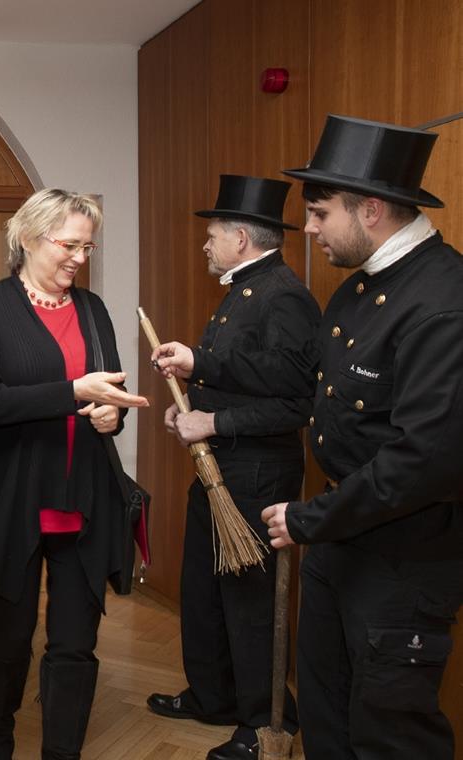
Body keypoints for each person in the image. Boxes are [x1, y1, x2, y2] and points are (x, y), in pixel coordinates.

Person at [263, 115, 463, 760]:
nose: (309, 228)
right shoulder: (358, 289)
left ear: (370, 209)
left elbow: (423, 460)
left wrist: (309, 518)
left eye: (320, 213)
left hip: (402, 558)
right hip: (339, 538)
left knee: (389, 734)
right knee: (327, 716)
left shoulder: (443, 301)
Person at [0, 188, 149, 760]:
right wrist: (71, 393)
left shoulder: (93, 310)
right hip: (14, 502)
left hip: (84, 500)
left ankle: (61, 751)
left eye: (87, 248)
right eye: (68, 244)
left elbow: (109, 395)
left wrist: (112, 417)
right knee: (9, 634)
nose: (78, 258)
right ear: (27, 237)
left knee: (75, 643)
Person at [145, 175, 320, 760]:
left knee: (250, 602)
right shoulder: (244, 288)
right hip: (218, 469)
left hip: (257, 475)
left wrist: (212, 418)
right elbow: (244, 376)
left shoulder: (284, 296)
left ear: (241, 238)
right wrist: (190, 411)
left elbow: (296, 399)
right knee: (203, 590)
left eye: (213, 233)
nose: (206, 243)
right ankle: (212, 696)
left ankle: (264, 720)